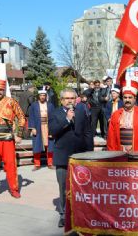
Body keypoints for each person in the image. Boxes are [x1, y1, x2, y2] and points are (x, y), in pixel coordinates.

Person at [49, 88, 93, 227]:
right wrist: (67, 119)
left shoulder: (81, 111)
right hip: (62, 156)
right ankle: (63, 214)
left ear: (76, 99)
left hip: (80, 154)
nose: (70, 101)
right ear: (62, 100)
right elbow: (53, 131)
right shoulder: (55, 113)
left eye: (72, 98)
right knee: (63, 186)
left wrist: (90, 151)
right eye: (67, 98)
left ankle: (82, 212)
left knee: (82, 185)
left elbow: (87, 132)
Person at [107, 80, 138, 152]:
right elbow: (111, 137)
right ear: (122, 98)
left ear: (135, 99)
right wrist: (111, 153)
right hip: (120, 152)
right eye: (125, 97)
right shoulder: (116, 115)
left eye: (130, 97)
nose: (127, 100)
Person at [28, 88, 55, 170]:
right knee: (37, 145)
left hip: (48, 127)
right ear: (38, 96)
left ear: (46, 96)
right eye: (41, 95)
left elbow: (53, 117)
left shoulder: (50, 105)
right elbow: (31, 117)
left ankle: (50, 163)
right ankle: (37, 164)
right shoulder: (34, 105)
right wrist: (32, 128)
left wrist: (53, 129)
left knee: (50, 146)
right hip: (37, 127)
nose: (42, 97)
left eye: (44, 95)